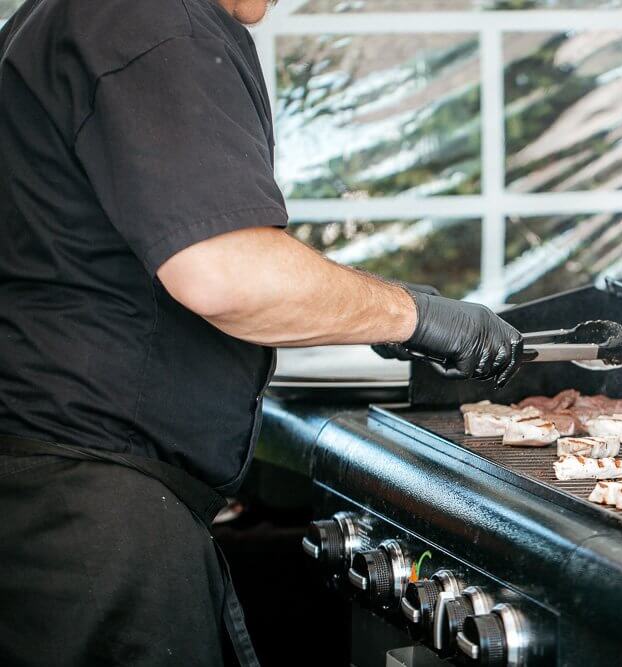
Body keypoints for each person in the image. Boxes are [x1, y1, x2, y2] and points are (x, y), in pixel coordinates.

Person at [0, 0, 523, 664]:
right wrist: (420, 317)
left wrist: (384, 309)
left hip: (52, 510)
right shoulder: (153, 20)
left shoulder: (70, 15)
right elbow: (224, 272)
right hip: (91, 524)